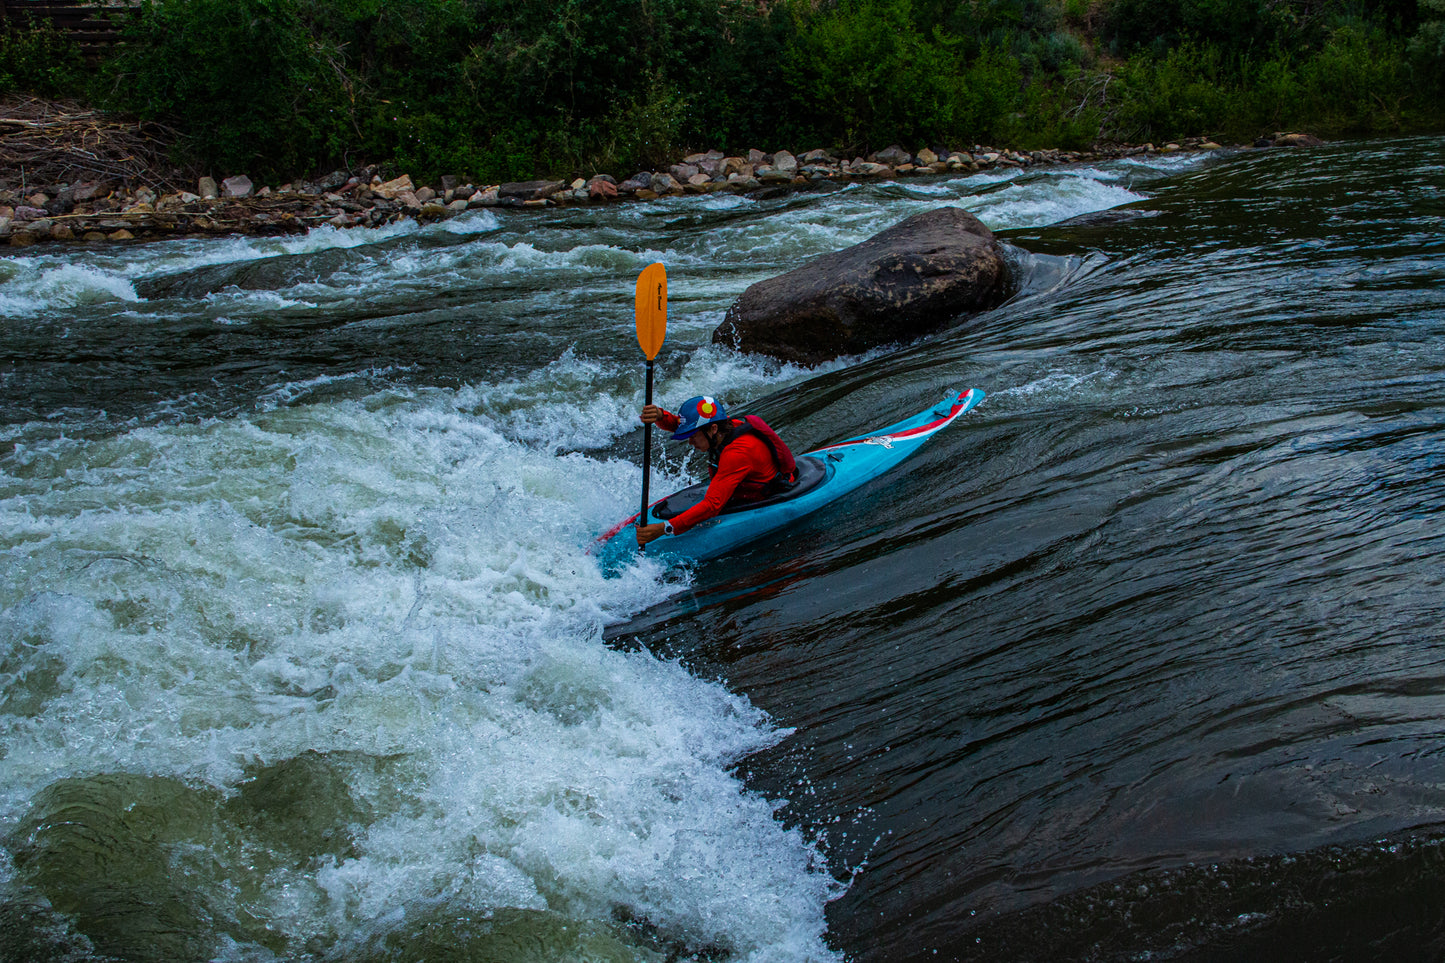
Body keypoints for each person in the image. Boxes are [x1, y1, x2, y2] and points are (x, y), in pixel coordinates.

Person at [635, 395, 797, 547]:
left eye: (693, 436)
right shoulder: (719, 428)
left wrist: (664, 529)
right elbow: (679, 425)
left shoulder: (737, 453)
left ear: (713, 429)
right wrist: (660, 416)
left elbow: (712, 505)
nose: (690, 442)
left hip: (767, 495)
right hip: (740, 487)